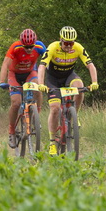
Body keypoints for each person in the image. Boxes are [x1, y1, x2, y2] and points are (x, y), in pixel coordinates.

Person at [37, 26, 99, 155]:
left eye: (71, 43)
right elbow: (42, 66)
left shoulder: (78, 47)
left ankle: (74, 114)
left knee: (80, 87)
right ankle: (52, 142)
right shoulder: (53, 47)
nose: (69, 46)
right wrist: (41, 84)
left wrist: (94, 82)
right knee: (55, 109)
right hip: (53, 79)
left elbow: (90, 65)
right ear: (61, 40)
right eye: (66, 43)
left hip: (68, 76)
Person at [0, 29, 46, 148]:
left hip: (30, 73)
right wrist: (2, 82)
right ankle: (11, 131)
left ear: (35, 43)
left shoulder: (40, 46)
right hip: (14, 74)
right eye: (26, 47)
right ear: (21, 43)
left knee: (38, 88)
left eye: (31, 47)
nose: (29, 49)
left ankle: (36, 116)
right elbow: (5, 64)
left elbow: (48, 61)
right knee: (16, 103)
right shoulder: (15, 47)